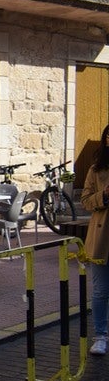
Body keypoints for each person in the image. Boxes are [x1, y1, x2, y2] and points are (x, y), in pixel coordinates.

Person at [81, 123, 109, 356]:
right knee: (100, 291)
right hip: (103, 237)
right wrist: (104, 195)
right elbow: (85, 200)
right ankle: (101, 335)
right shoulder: (96, 169)